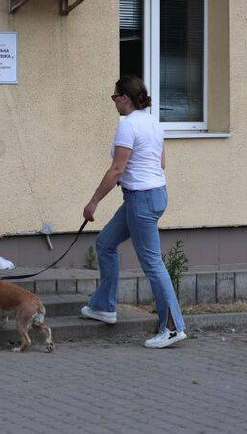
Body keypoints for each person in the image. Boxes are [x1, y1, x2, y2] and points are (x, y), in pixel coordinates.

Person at [81, 75, 186, 349]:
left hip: (141, 200)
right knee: (105, 243)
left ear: (125, 98)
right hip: (153, 195)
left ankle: (173, 327)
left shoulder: (127, 126)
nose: (113, 101)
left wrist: (93, 202)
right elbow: (160, 162)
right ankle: (104, 306)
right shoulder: (153, 122)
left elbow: (118, 169)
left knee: (153, 264)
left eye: (115, 96)